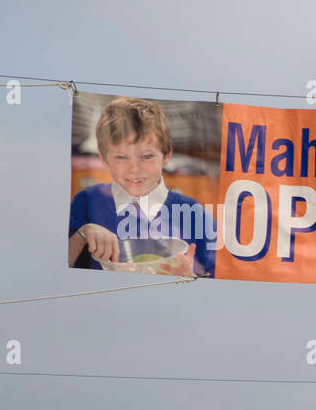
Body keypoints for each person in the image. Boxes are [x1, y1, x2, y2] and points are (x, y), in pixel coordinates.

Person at [68, 97, 216, 277]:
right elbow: (59, 266)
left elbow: (215, 278)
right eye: (121, 157)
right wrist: (83, 233)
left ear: (166, 155)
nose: (135, 169)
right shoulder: (87, 201)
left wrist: (190, 277)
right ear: (104, 158)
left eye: (147, 157)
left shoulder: (193, 212)